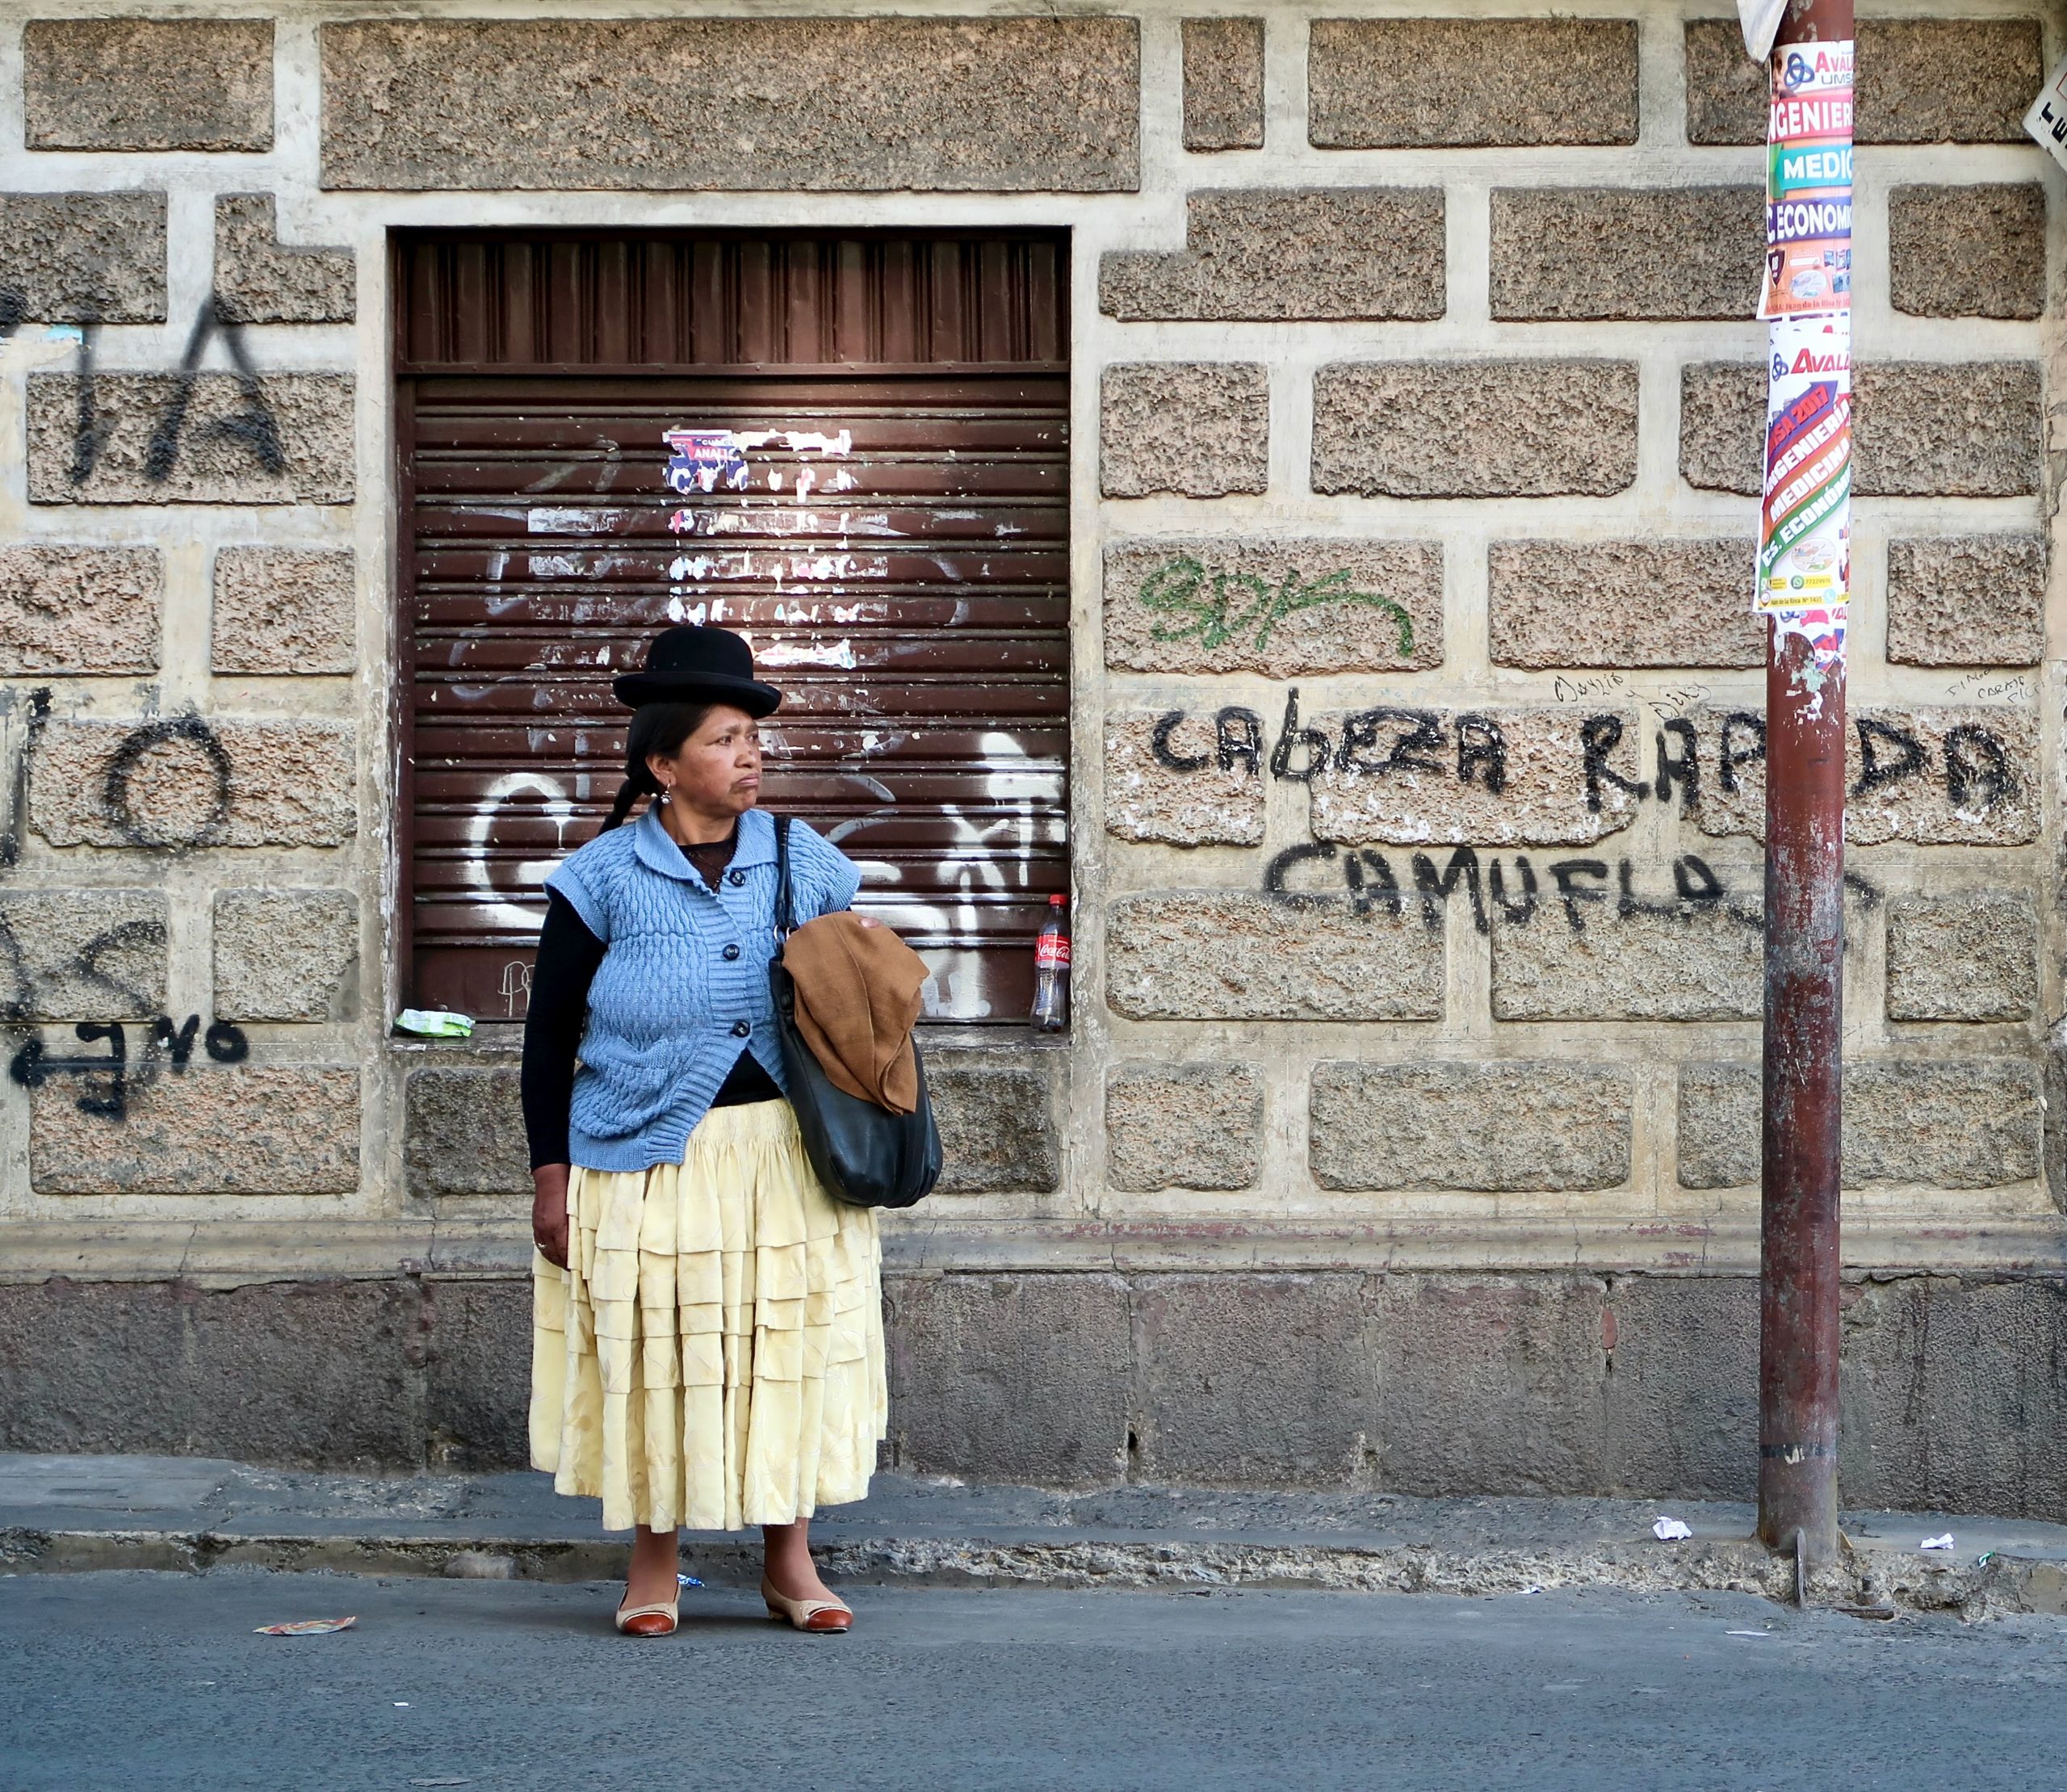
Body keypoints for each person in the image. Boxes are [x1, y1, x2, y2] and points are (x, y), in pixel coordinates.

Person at [522, 623, 884, 1636]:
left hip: (783, 1155)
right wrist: (550, 1177)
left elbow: (865, 990)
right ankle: (653, 1563)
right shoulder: (600, 879)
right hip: (644, 1157)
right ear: (662, 762)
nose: (750, 755)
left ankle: (789, 1560)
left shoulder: (799, 860)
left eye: (752, 738)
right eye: (725, 739)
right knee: (658, 1352)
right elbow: (548, 1038)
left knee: (787, 1347)